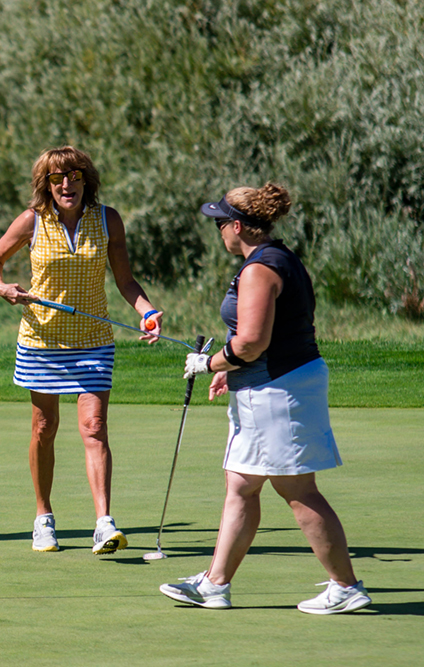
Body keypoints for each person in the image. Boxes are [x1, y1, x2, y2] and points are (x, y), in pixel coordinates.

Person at [159, 183, 370, 614]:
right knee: (240, 484)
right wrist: (229, 370)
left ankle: (346, 586)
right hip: (273, 384)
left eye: (220, 223)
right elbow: (254, 341)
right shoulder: (276, 258)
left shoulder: (259, 269)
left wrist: (211, 364)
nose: (218, 231)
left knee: (298, 491)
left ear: (238, 226)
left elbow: (252, 341)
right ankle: (216, 584)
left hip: (278, 391)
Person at [0, 146, 164, 553]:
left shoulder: (107, 220)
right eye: (57, 178)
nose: (67, 185)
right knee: (44, 429)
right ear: (46, 185)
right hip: (42, 341)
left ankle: (103, 522)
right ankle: (43, 518)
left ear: (87, 181)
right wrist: (2, 287)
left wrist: (147, 312)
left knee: (94, 427)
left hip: (93, 340)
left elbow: (126, 281)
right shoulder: (32, 220)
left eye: (75, 177)